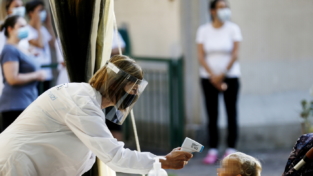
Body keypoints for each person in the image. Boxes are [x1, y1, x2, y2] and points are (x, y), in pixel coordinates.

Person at [0, 55, 193, 175]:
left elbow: (100, 148)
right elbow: (115, 156)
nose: (134, 94)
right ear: (116, 83)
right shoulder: (82, 103)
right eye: (133, 88)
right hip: (17, 162)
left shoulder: (86, 99)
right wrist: (163, 161)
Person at [197, 0, 243, 164]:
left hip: (230, 77)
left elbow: (235, 53)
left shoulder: (233, 29)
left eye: (226, 7)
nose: (224, 11)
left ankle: (231, 149)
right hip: (208, 78)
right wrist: (213, 76)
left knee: (231, 113)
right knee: (212, 114)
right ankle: (213, 149)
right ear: (212, 11)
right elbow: (201, 56)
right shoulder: (203, 30)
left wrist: (222, 74)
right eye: (221, 7)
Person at [0, 15, 45, 131]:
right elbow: (12, 78)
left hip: (27, 101)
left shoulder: (21, 48)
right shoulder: (9, 49)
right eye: (21, 26)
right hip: (15, 105)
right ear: (10, 29)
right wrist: (36, 75)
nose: (25, 29)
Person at [24, 0, 55, 94]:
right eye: (40, 10)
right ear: (31, 13)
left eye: (43, 10)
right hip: (35, 74)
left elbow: (54, 45)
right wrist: (37, 25)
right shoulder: (26, 30)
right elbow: (40, 45)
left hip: (47, 74)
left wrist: (49, 26)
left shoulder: (43, 29)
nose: (43, 13)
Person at [0, 0, 25, 95]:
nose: (20, 9)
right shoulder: (2, 33)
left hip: (23, 86)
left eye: (21, 6)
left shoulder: (22, 33)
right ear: (7, 9)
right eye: (16, 6)